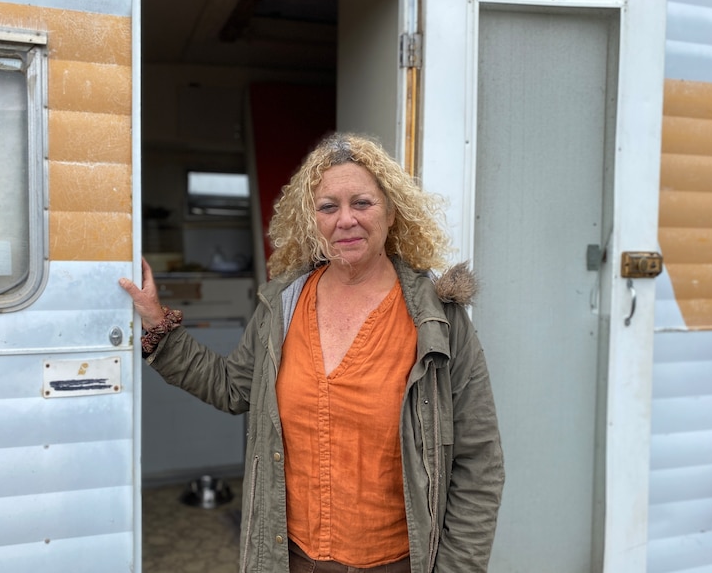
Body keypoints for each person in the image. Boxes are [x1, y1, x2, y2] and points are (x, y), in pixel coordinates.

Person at [119, 132, 504, 573]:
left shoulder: (438, 320)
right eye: (328, 207)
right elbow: (231, 388)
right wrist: (156, 324)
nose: (346, 220)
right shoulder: (282, 305)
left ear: (392, 211)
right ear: (311, 219)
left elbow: (479, 461)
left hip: (398, 563)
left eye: (362, 203)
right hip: (290, 560)